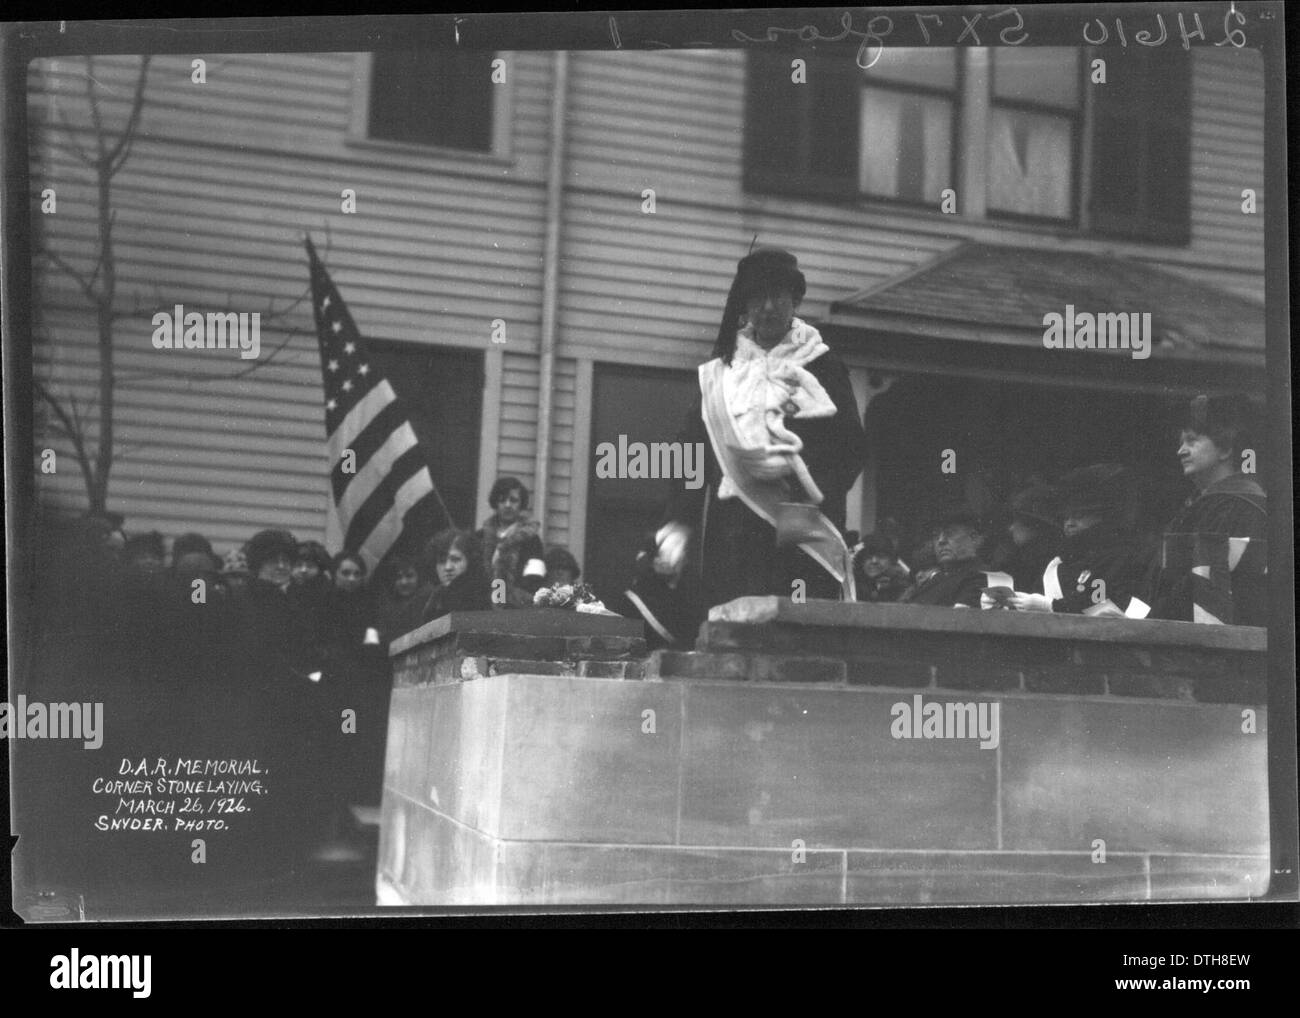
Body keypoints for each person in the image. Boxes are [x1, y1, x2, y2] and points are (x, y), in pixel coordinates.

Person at [655, 247, 867, 619]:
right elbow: (691, 452)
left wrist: (808, 497)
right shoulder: (720, 372)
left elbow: (850, 449)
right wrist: (680, 520)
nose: (768, 307)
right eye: (757, 298)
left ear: (795, 301)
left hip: (800, 525)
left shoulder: (825, 366)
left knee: (798, 629)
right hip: (733, 531)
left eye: (778, 297)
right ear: (745, 305)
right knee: (732, 627)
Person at [1146, 395, 1267, 626]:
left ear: (1224, 450)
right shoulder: (1206, 504)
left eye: (1192, 441)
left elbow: (1202, 586)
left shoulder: (1238, 506)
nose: (1181, 451)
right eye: (1181, 443)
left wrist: (1147, 621)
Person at [1004, 464, 1152, 617]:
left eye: (1079, 515)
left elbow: (1100, 606)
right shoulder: (1057, 563)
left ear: (1101, 517)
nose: (1070, 523)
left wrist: (1050, 606)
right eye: (1067, 516)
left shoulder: (1118, 558)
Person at [899, 506, 1011, 608]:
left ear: (974, 539)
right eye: (936, 536)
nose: (941, 541)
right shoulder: (935, 579)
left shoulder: (992, 579)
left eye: (950, 533)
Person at [420, 529, 493, 621]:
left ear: (470, 561)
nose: (448, 567)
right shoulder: (432, 599)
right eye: (442, 561)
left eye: (455, 559)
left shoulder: (485, 596)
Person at [375, 553, 432, 642]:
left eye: (409, 576)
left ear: (419, 577)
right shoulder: (387, 609)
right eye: (399, 577)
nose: (404, 582)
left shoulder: (429, 600)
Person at [853, 533, 909, 603]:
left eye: (881, 556)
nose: (874, 561)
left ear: (892, 560)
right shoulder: (853, 588)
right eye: (868, 557)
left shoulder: (903, 589)